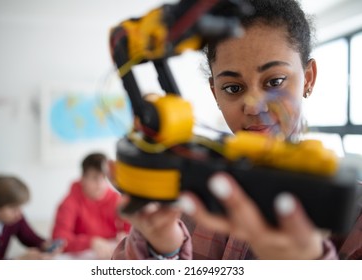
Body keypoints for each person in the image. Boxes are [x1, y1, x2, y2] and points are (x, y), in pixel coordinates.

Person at [111, 0, 359, 260]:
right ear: (215, 92)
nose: (253, 107)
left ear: (308, 78)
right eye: (233, 88)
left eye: (274, 81)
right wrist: (162, 246)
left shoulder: (354, 215)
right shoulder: (185, 197)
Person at [52, 152, 131, 259]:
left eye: (103, 177)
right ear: (83, 178)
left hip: (110, 253)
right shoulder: (69, 202)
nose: (100, 183)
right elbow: (59, 239)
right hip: (82, 255)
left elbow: (132, 227)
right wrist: (90, 242)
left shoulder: (116, 199)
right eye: (94, 178)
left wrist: (126, 236)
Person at [0, 175, 62, 260]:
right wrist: (18, 261)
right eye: (13, 208)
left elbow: (31, 238)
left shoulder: (14, 218)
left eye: (20, 207)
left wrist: (45, 246)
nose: (19, 214)